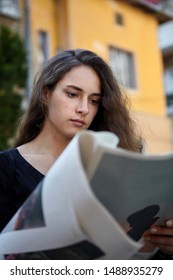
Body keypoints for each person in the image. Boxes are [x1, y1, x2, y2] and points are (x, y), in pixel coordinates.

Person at [0, 49, 173, 259]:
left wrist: (165, 248)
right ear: (46, 94)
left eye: (94, 100)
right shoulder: (6, 168)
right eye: (73, 94)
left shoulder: (114, 174)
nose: (83, 108)